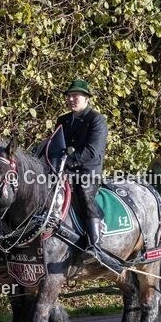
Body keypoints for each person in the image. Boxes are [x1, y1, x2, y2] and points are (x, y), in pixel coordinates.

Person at [55, 78, 110, 267]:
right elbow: (56, 145)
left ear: (86, 98)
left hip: (88, 172)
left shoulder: (97, 120)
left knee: (85, 195)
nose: (71, 99)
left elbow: (92, 151)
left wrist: (67, 162)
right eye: (69, 96)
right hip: (63, 171)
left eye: (75, 96)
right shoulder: (63, 120)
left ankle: (95, 246)